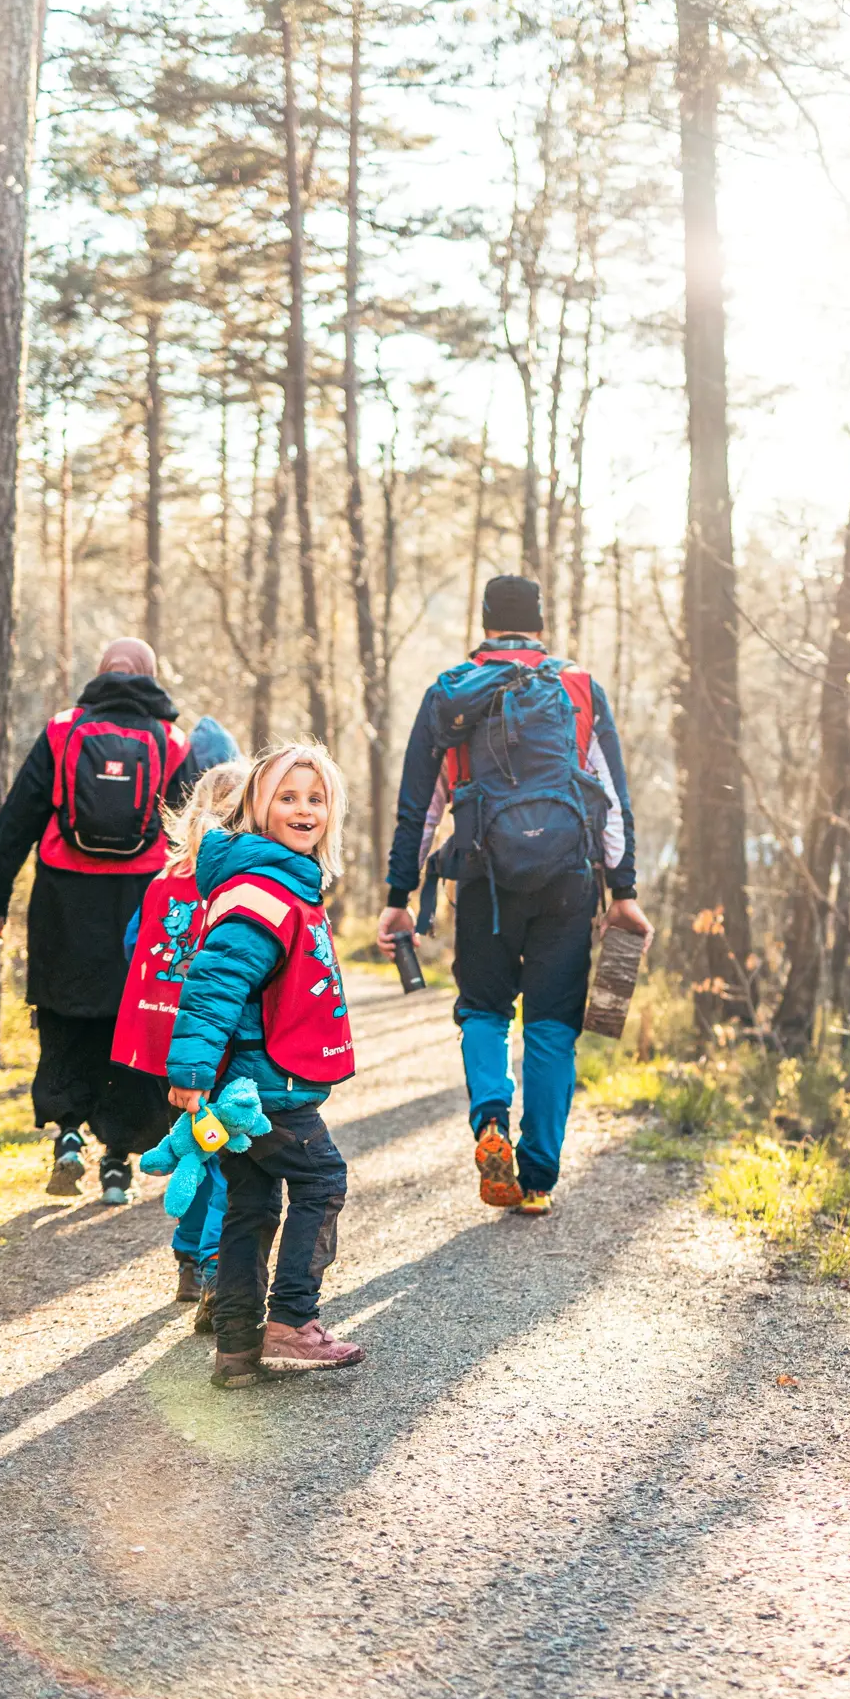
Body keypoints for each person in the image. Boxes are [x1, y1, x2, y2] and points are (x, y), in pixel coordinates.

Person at [377, 574, 653, 1215]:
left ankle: (490, 1120)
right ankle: (536, 1181)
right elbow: (611, 799)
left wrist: (399, 894)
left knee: (484, 1010)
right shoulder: (577, 687)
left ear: (485, 622)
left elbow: (419, 808)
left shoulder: (450, 694)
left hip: (482, 880)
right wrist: (624, 889)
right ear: (540, 623)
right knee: (552, 1027)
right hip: (568, 880)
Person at [0, 638, 204, 1203]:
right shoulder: (172, 742)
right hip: (142, 907)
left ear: (101, 675)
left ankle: (68, 1135)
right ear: (150, 676)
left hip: (62, 901)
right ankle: (119, 1163)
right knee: (130, 1023)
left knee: (61, 1016)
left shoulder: (60, 731)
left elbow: (15, 820)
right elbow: (200, 836)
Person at [165, 743, 365, 1389]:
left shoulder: (278, 881)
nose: (303, 809)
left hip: (252, 1082)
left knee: (250, 1207)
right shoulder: (263, 890)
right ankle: (291, 1323)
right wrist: (190, 1071)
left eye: (315, 798)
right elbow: (215, 981)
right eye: (287, 797)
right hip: (264, 1086)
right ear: (258, 805)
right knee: (321, 1180)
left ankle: (237, 1348)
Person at [113, 758, 247, 1316]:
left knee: (194, 1145)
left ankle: (188, 1262)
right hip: (214, 1040)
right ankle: (214, 1264)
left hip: (166, 1039)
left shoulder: (164, 879)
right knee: (223, 1156)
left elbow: (131, 946)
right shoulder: (238, 880)